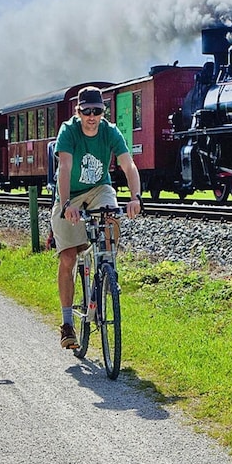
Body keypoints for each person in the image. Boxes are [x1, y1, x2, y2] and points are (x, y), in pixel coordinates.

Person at [50, 86, 142, 348]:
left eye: (97, 111)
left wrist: (136, 197)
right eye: (87, 111)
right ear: (78, 112)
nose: (92, 116)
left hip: (99, 189)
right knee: (68, 257)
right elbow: (64, 166)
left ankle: (108, 270)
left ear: (103, 112)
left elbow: (128, 164)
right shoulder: (69, 131)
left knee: (111, 217)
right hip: (70, 194)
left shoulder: (110, 131)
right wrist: (67, 204)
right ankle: (67, 323)